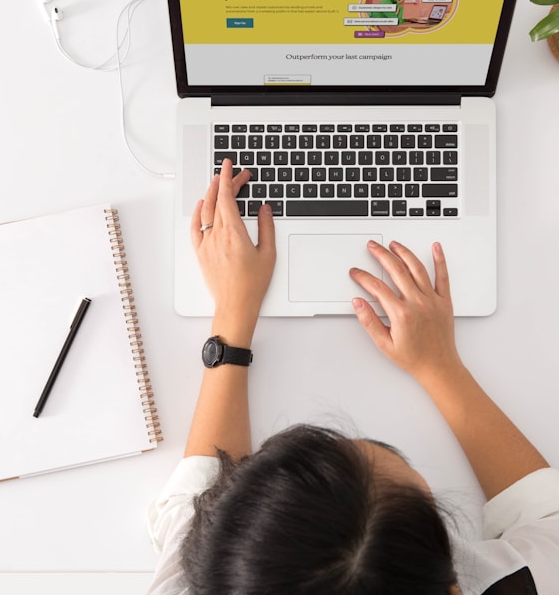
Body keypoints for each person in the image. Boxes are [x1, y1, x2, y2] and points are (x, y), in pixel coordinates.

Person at [146, 159, 559, 594]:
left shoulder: (192, 582)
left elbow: (193, 504)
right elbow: (549, 519)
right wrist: (440, 366)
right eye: (424, 500)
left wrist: (233, 308)